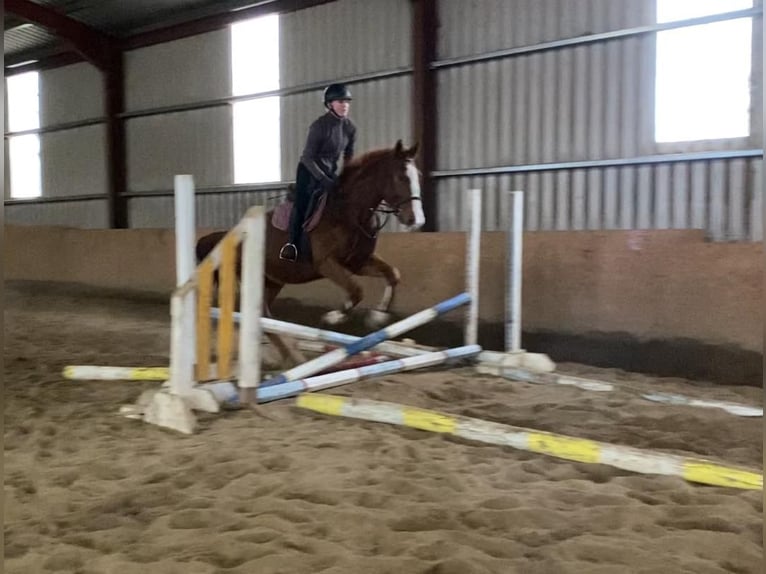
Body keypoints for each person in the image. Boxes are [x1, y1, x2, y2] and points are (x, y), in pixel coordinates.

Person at [279, 83, 357, 262]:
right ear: (330, 104)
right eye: (340, 101)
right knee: (303, 203)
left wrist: (348, 176)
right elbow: (307, 157)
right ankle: (292, 244)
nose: (344, 104)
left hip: (330, 172)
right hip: (309, 171)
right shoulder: (319, 126)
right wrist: (322, 178)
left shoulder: (350, 128)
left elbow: (349, 155)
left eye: (346, 101)